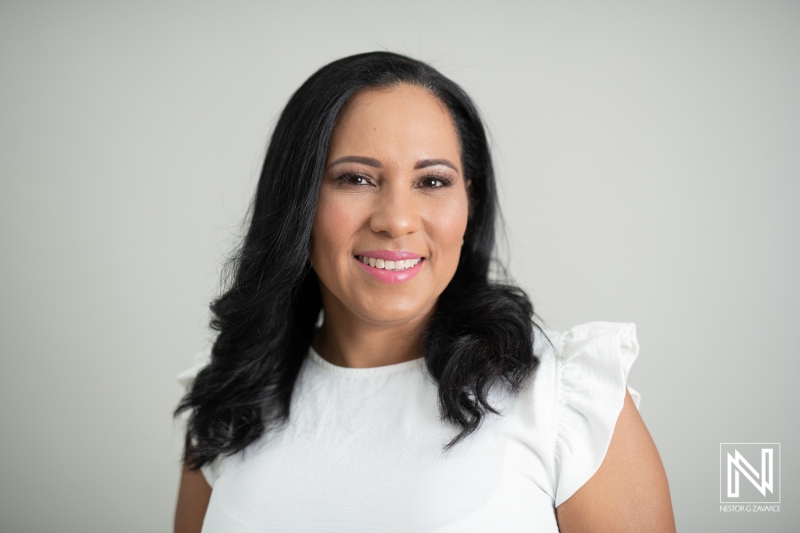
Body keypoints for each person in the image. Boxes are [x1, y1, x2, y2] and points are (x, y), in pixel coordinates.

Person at [173, 51, 676, 532]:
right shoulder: (228, 400)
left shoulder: (564, 396)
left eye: (432, 182)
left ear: (469, 203)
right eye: (356, 178)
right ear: (298, 200)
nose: (395, 220)